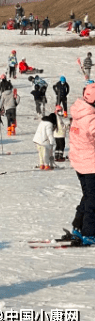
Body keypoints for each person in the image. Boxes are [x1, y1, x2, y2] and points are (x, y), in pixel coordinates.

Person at [69, 83, 95, 245]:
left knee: (88, 196)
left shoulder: (79, 111)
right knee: (93, 199)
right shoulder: (90, 118)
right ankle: (89, 232)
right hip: (90, 163)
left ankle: (77, 227)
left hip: (79, 161)